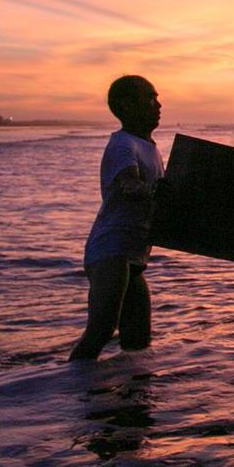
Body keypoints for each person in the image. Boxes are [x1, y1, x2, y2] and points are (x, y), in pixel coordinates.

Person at [69, 75, 163, 361]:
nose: (158, 104)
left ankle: (131, 401)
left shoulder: (149, 146)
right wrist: (159, 191)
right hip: (112, 249)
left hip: (134, 255)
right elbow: (128, 184)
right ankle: (73, 394)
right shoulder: (123, 145)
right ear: (126, 106)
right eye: (150, 98)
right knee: (101, 330)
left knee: (138, 341)